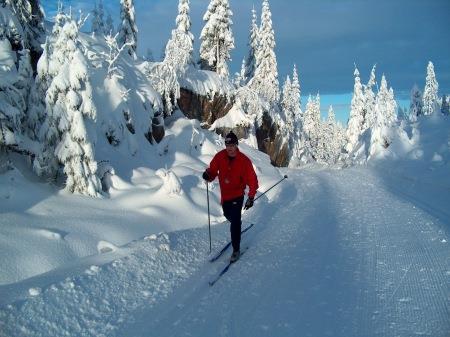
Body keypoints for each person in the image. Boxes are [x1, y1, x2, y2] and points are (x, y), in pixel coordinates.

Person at [202, 131, 259, 262]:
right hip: (225, 197)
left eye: (232, 145)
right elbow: (212, 170)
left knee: (234, 223)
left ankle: (236, 249)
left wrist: (251, 197)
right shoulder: (220, 157)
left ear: (236, 145)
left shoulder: (244, 161)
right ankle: (236, 223)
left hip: (237, 195)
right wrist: (208, 175)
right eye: (227, 146)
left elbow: (252, 180)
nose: (230, 148)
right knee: (229, 216)